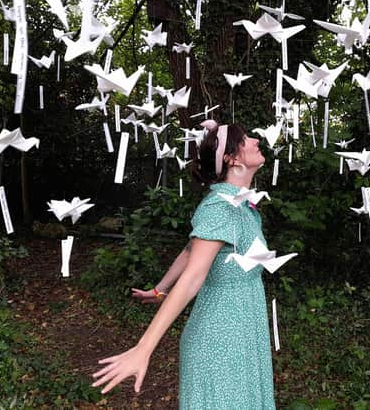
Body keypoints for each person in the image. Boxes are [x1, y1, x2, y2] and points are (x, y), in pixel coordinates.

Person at [92, 120, 276, 409]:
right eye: (247, 139)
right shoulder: (220, 206)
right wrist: (144, 347)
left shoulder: (239, 203)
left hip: (243, 323)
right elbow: (193, 276)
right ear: (232, 158)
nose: (256, 140)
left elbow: (190, 250)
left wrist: (159, 289)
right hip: (221, 336)